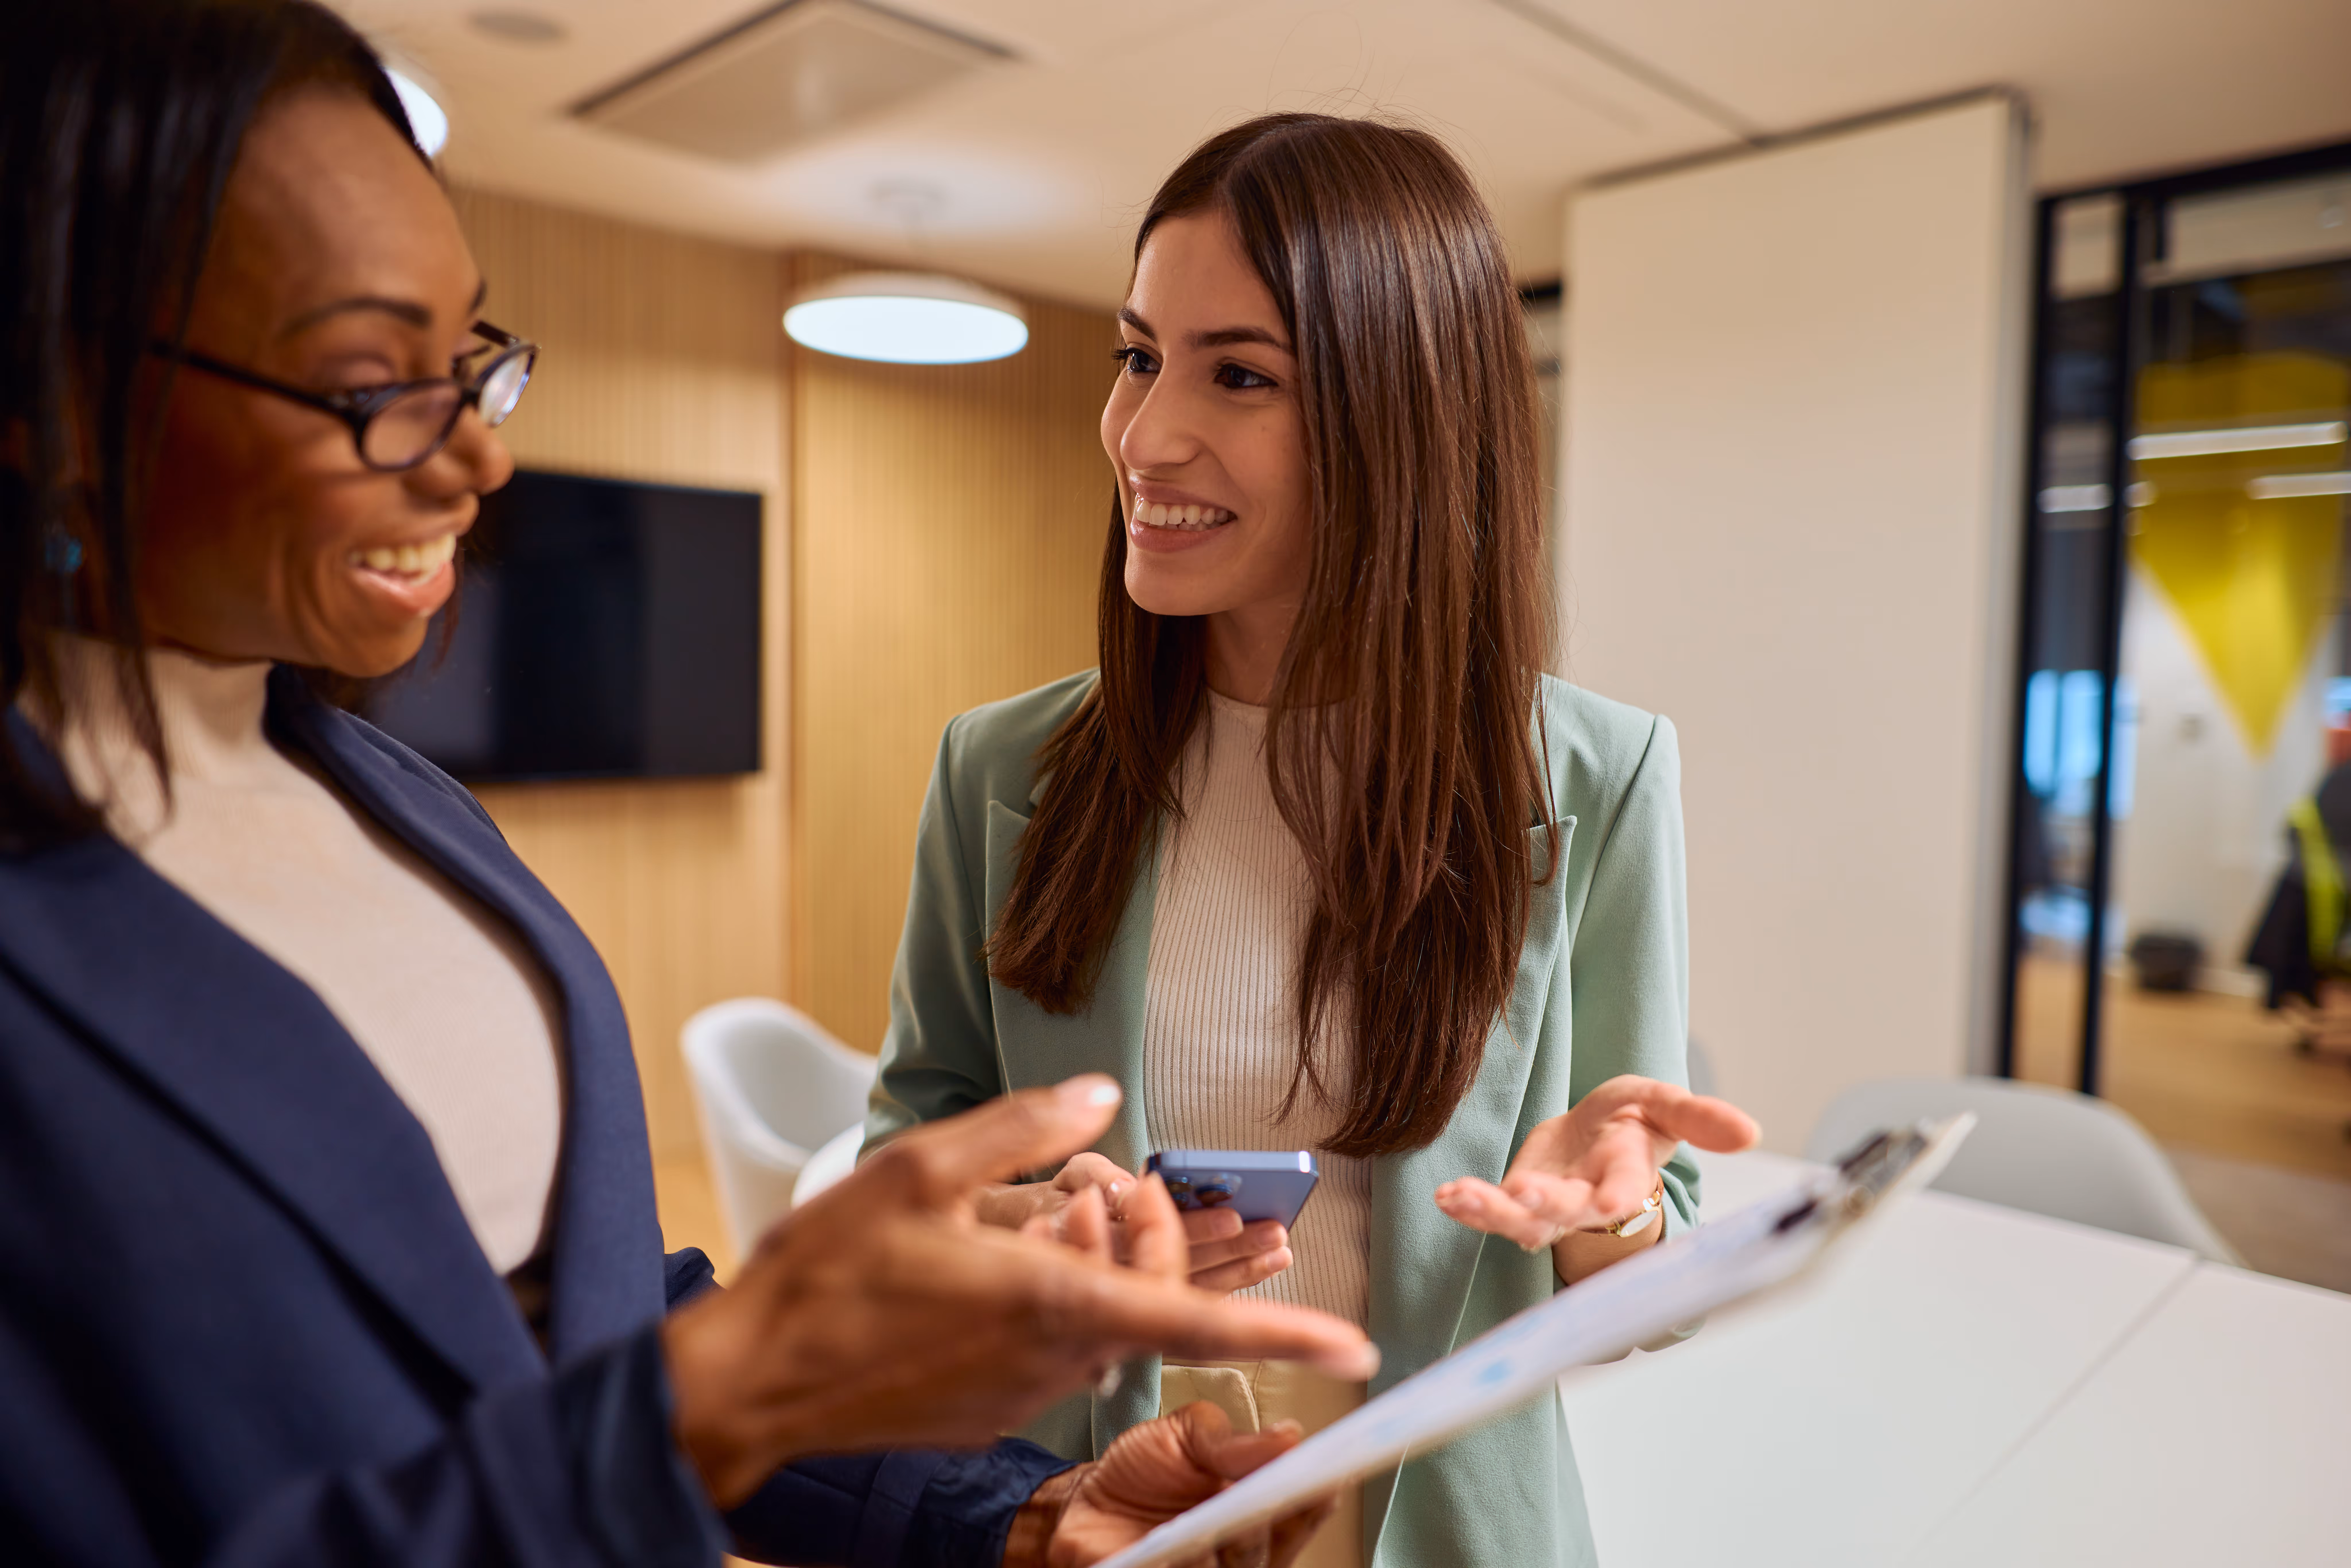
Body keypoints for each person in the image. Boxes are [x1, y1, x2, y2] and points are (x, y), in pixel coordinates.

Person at [0, 5, 1378, 1565]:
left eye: (472, 362)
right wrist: (737, 1387)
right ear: (47, 392)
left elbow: (598, 1334)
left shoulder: (402, 813)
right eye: (368, 379)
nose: (476, 461)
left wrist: (1015, 1516)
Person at [867, 113, 1763, 1568]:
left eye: (1239, 375)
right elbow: (909, 1158)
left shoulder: (1596, 778)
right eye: (1138, 355)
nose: (1145, 433)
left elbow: (1642, 1266)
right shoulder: (1005, 769)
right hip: (1091, 1512)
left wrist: (1604, 1222)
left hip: (1439, 1526)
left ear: (1402, 416)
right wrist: (1026, 1226)